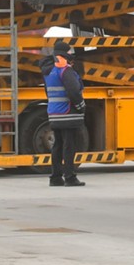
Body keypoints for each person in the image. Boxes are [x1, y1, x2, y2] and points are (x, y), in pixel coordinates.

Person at [43, 40, 87, 186]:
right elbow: (74, 91)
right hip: (68, 113)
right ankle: (70, 177)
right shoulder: (66, 70)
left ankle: (55, 177)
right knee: (69, 145)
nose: (71, 54)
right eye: (69, 51)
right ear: (64, 53)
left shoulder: (49, 71)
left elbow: (48, 92)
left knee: (57, 145)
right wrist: (81, 106)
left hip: (54, 113)